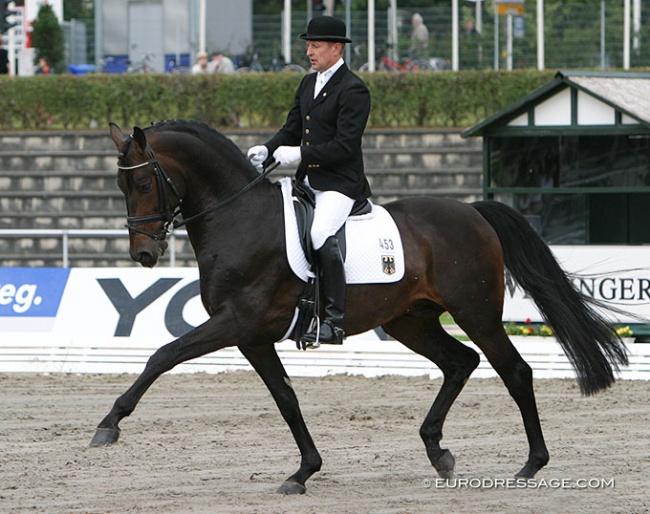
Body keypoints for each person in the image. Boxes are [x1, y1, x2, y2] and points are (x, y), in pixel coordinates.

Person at [247, 16, 371, 347]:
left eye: (315, 46)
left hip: (339, 183)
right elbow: (291, 128)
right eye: (308, 45)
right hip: (308, 181)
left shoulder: (354, 88)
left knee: (319, 232)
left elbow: (345, 146)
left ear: (336, 47)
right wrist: (268, 148)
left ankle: (333, 320)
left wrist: (300, 154)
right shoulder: (307, 83)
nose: (309, 52)